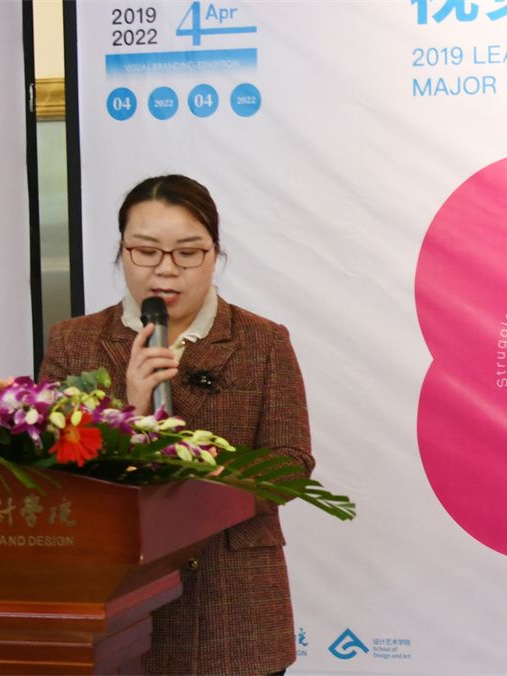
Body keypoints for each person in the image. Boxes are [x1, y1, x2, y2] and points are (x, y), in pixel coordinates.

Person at [39, 174, 314, 675]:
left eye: (188, 253)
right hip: (116, 597)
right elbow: (53, 465)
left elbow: (291, 463)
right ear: (121, 251)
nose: (166, 270)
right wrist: (130, 410)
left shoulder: (263, 341)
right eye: (146, 251)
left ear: (215, 254)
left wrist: (209, 478)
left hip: (233, 603)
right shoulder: (73, 342)